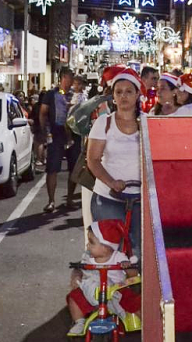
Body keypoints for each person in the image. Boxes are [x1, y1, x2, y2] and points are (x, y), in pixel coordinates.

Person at [87, 68, 145, 260]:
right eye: (118, 92)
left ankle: (135, 289)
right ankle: (107, 288)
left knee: (138, 251)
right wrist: (112, 182)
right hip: (108, 197)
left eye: (129, 91)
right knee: (108, 250)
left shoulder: (147, 123)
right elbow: (93, 160)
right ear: (113, 97)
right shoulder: (104, 123)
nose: (123, 96)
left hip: (140, 199)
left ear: (137, 94)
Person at [66, 220, 140, 337]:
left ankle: (146, 320)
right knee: (73, 297)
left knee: (134, 300)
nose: (87, 245)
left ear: (106, 247)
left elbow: (134, 274)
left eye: (91, 242)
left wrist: (128, 267)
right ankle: (79, 322)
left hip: (116, 291)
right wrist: (77, 275)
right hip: (93, 291)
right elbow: (80, 268)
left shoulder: (118, 257)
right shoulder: (88, 258)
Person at [40, 67, 77, 212]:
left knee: (74, 168)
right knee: (52, 168)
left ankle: (69, 198)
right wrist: (45, 132)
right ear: (62, 78)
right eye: (68, 78)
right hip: (56, 133)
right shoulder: (51, 95)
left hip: (73, 133)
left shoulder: (75, 95)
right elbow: (43, 113)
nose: (70, 81)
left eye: (71, 78)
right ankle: (51, 200)